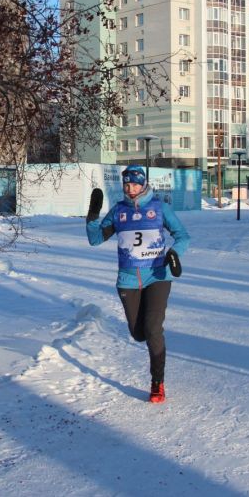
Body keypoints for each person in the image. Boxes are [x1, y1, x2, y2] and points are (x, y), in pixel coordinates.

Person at [86, 165, 190, 404]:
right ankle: (143, 338)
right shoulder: (119, 211)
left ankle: (157, 384)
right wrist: (92, 218)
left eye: (134, 184)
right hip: (128, 279)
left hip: (157, 276)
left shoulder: (160, 208)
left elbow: (183, 236)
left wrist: (174, 253)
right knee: (138, 333)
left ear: (143, 184)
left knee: (153, 329)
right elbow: (95, 240)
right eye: (126, 184)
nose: (130, 188)